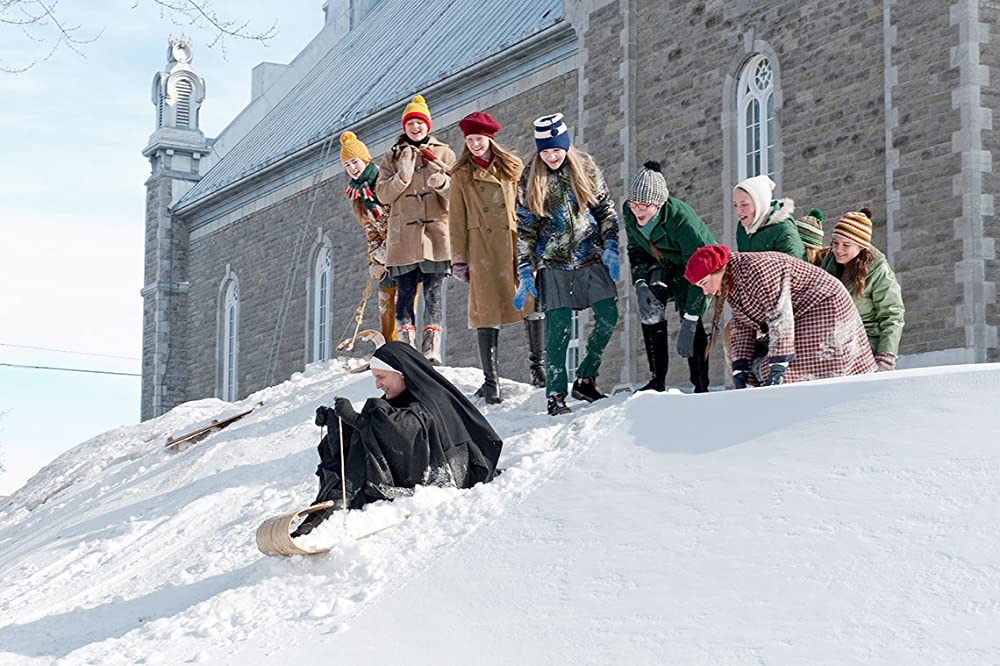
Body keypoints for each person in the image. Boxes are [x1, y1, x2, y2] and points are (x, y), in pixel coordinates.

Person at [293, 341, 503, 537]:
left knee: (374, 418)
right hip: (421, 466)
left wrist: (359, 420)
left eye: (381, 377)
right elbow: (383, 427)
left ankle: (342, 501)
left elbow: (409, 429)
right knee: (362, 430)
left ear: (402, 374)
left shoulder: (431, 397)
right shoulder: (398, 399)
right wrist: (336, 421)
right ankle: (338, 499)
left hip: (449, 470)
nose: (377, 385)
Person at [514, 113, 620, 416]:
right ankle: (556, 394)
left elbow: (605, 210)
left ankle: (586, 376)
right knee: (557, 331)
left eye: (556, 150)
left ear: (566, 145)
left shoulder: (585, 167)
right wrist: (525, 269)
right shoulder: (529, 177)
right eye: (545, 152)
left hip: (590, 256)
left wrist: (611, 245)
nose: (551, 156)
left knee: (608, 315)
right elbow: (526, 228)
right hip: (554, 262)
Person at [449, 111, 544, 403]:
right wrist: (459, 260)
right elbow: (456, 218)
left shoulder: (512, 167)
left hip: (515, 243)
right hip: (482, 249)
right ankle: (491, 383)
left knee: (531, 302)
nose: (475, 145)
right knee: (485, 311)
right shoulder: (461, 174)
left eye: (479, 139)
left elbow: (531, 204)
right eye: (470, 140)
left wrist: (537, 243)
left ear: (490, 139)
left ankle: (539, 370)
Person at [685, 245, 877, 386]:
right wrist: (740, 367)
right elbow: (743, 325)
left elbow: (779, 317)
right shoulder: (731, 283)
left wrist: (778, 367)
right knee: (761, 369)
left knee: (795, 373)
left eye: (704, 283)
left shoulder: (757, 270)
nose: (705, 292)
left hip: (824, 306)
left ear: (717, 271)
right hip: (798, 315)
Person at [375, 95, 456, 365]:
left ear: (428, 125)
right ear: (404, 127)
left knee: (434, 292)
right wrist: (402, 178)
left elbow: (458, 195)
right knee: (405, 293)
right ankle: (407, 348)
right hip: (404, 237)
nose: (416, 128)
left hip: (435, 235)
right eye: (411, 123)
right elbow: (383, 194)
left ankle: (432, 348)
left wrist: (441, 184)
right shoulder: (392, 156)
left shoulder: (444, 153)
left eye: (420, 122)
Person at [623, 161, 716, 392]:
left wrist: (692, 318)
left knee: (689, 320)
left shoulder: (682, 220)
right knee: (650, 306)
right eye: (633, 204)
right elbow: (635, 249)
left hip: (696, 267)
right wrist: (640, 281)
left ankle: (701, 385)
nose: (637, 210)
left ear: (659, 204)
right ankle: (657, 379)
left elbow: (703, 270)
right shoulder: (629, 212)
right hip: (662, 262)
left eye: (643, 205)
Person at [820, 209, 905, 371]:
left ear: (861, 246)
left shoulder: (878, 270)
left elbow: (892, 313)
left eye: (846, 245)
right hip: (833, 342)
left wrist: (886, 354)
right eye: (835, 242)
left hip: (866, 343)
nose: (838, 249)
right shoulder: (829, 263)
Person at [340, 130, 398, 342]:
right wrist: (375, 260)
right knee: (385, 300)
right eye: (347, 165)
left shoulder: (382, 182)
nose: (352, 168)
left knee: (405, 303)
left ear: (365, 159)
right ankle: (391, 347)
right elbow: (371, 231)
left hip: (404, 250)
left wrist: (382, 257)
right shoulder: (359, 195)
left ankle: (408, 350)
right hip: (385, 258)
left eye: (354, 162)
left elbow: (397, 223)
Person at [733, 175, 807, 260]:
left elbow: (796, 266)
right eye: (735, 205)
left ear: (760, 204)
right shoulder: (742, 229)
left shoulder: (782, 228)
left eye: (744, 204)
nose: (738, 211)